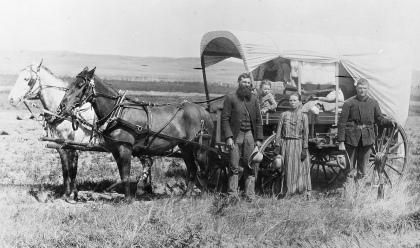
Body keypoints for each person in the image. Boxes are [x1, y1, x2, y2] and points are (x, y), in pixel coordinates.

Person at [337, 78, 397, 181]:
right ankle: (349, 192)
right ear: (356, 88)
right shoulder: (349, 103)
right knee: (349, 168)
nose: (362, 90)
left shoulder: (373, 103)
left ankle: (359, 191)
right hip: (351, 139)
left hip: (367, 140)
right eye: (360, 88)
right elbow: (342, 123)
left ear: (368, 89)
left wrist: (389, 122)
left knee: (363, 169)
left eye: (364, 88)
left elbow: (379, 120)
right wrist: (341, 142)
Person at [221, 73, 263, 200]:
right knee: (234, 166)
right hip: (235, 136)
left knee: (250, 165)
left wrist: (259, 139)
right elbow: (225, 119)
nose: (247, 85)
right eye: (244, 82)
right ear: (239, 82)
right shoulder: (231, 97)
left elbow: (258, 121)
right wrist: (228, 137)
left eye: (249, 83)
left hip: (249, 135)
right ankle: (232, 195)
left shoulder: (254, 99)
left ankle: (250, 195)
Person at [273, 93, 311, 197]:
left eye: (294, 100)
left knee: (299, 168)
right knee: (286, 168)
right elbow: (279, 131)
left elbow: (305, 134)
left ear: (299, 102)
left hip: (298, 144)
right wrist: (277, 145)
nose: (292, 103)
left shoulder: (304, 116)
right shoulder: (284, 115)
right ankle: (285, 191)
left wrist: (305, 148)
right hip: (286, 144)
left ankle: (298, 191)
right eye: (290, 100)